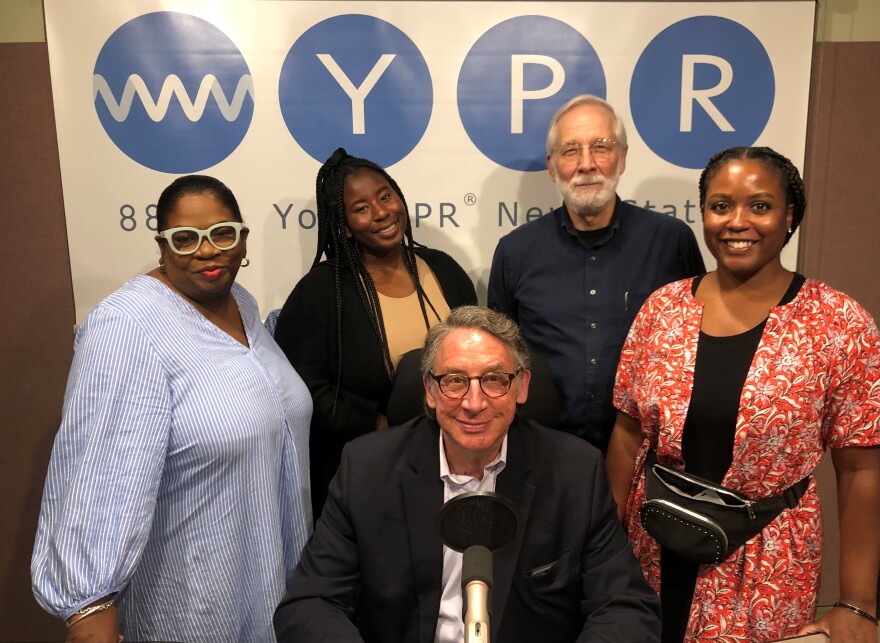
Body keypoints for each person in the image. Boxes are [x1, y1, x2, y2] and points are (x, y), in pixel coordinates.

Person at [606, 147, 880, 642]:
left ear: (789, 215)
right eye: (720, 205)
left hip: (764, 561)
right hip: (652, 547)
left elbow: (860, 470)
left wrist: (857, 604)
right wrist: (601, 555)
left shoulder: (839, 323)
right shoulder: (662, 310)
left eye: (759, 205)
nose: (737, 222)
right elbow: (627, 437)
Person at [31, 175, 313, 643]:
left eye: (222, 233)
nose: (206, 251)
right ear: (161, 247)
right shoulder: (126, 328)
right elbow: (97, 479)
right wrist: (89, 606)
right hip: (191, 610)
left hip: (268, 594)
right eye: (185, 239)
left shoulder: (241, 304)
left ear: (243, 240)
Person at [274, 305, 661, 642]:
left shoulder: (575, 472)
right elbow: (310, 604)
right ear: (429, 390)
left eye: (494, 380)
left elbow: (626, 608)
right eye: (455, 381)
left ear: (521, 386)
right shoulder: (367, 469)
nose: (474, 404)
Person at [488, 94, 705, 452]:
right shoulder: (515, 252)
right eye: (570, 150)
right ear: (552, 166)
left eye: (601, 147)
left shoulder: (670, 241)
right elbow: (500, 358)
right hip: (543, 450)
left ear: (622, 158)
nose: (586, 164)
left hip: (646, 451)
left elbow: (696, 346)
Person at [273, 148, 477, 517]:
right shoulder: (321, 293)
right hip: (371, 475)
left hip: (458, 462)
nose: (382, 212)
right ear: (344, 224)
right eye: (362, 207)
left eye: (386, 196)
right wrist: (383, 425)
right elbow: (301, 391)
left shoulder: (443, 269)